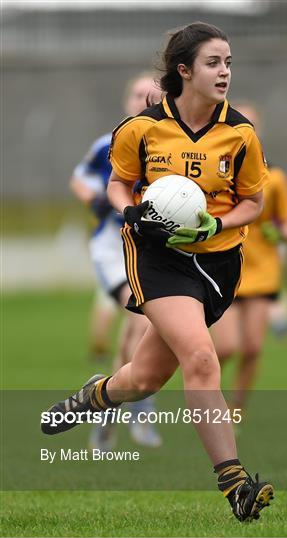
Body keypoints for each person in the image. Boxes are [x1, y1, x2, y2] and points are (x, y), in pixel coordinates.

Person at [42, 22, 274, 522]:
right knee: (201, 357)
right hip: (157, 258)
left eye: (229, 63)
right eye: (214, 63)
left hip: (217, 264)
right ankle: (235, 483)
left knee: (144, 379)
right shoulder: (141, 129)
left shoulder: (241, 134)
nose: (225, 72)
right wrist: (130, 213)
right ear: (184, 70)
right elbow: (118, 185)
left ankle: (93, 395)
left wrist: (217, 221)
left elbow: (254, 202)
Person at [69, 72, 163, 449]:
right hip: (112, 249)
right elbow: (79, 177)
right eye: (137, 92)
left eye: (150, 93)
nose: (143, 98)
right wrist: (93, 199)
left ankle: (107, 401)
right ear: (126, 99)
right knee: (140, 318)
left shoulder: (168, 144)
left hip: (153, 251)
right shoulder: (107, 143)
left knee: (140, 330)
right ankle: (138, 412)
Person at [211, 102, 287, 416]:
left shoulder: (274, 178)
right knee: (223, 347)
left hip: (262, 271)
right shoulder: (216, 171)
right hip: (222, 267)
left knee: (252, 347)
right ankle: (205, 397)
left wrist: (284, 233)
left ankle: (236, 408)